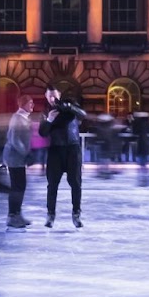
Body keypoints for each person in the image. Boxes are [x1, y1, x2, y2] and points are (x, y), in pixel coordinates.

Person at [40, 88, 88, 227]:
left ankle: (76, 214)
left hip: (72, 149)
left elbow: (83, 114)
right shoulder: (45, 112)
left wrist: (69, 107)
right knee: (52, 185)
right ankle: (50, 215)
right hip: (55, 150)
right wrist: (49, 120)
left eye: (54, 96)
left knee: (76, 184)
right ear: (46, 97)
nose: (52, 99)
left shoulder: (70, 104)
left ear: (59, 95)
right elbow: (42, 132)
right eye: (50, 97)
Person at [2, 97, 34, 229]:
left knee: (20, 187)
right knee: (17, 187)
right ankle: (12, 216)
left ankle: (17, 214)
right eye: (30, 103)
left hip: (19, 158)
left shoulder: (25, 117)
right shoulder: (17, 118)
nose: (32, 105)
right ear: (24, 104)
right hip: (14, 157)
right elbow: (14, 139)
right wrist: (26, 153)